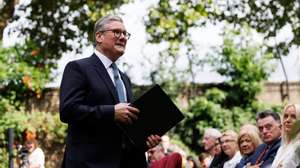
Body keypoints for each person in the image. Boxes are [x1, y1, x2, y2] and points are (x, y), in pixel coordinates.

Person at [59, 15, 160, 168]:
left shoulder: (124, 79)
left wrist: (144, 142)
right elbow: (68, 110)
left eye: (125, 34)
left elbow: (125, 130)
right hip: (90, 164)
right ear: (99, 36)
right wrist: (111, 112)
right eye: (117, 32)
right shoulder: (78, 68)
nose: (123, 37)